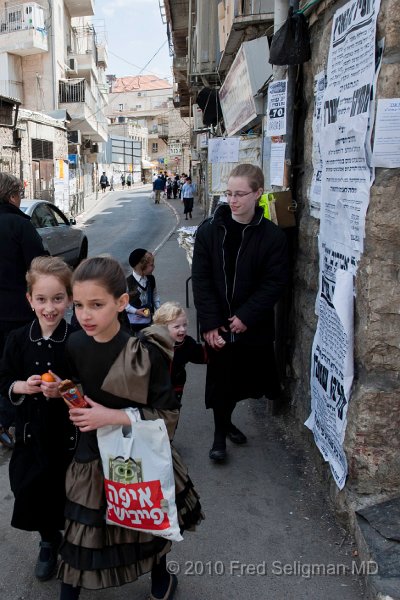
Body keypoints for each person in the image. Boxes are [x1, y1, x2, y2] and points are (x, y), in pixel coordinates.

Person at [58, 256, 203, 600]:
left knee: (145, 522)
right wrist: (65, 395)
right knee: (81, 531)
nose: (85, 314)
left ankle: (160, 580)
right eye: (78, 305)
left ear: (122, 302)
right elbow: (76, 385)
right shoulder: (74, 344)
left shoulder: (143, 353)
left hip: (137, 453)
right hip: (90, 453)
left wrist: (110, 416)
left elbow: (167, 415)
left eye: (96, 304)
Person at [192, 163, 289, 462]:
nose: (232, 200)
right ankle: (219, 436)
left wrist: (247, 315)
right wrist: (209, 323)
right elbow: (202, 278)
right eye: (229, 193)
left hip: (251, 325)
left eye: (240, 194)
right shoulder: (209, 230)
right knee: (221, 382)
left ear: (258, 193)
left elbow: (275, 282)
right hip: (219, 324)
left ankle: (229, 422)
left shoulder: (272, 236)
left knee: (245, 382)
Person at [0, 256, 77, 581]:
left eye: (58, 299)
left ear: (69, 299)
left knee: (67, 492)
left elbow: (89, 390)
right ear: (30, 299)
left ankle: (74, 541)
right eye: (42, 299)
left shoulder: (76, 340)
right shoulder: (17, 340)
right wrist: (21, 386)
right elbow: (3, 380)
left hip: (67, 437)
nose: (50, 307)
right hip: (30, 436)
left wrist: (66, 391)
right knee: (32, 491)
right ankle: (48, 540)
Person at [0, 172, 47, 448]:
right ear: (12, 196)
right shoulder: (20, 226)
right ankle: (9, 422)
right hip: (18, 312)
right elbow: (39, 268)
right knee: (15, 368)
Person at [153, 302, 207, 403]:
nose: (182, 329)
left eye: (184, 325)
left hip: (175, 389)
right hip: (154, 392)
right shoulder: (151, 344)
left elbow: (202, 355)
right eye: (177, 327)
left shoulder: (186, 343)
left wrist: (216, 345)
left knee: (173, 415)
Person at [125, 248, 160, 333]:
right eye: (151, 265)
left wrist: (159, 309)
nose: (154, 267)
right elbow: (123, 303)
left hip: (149, 322)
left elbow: (154, 295)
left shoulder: (151, 279)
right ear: (142, 267)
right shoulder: (128, 283)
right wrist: (136, 311)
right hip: (133, 325)